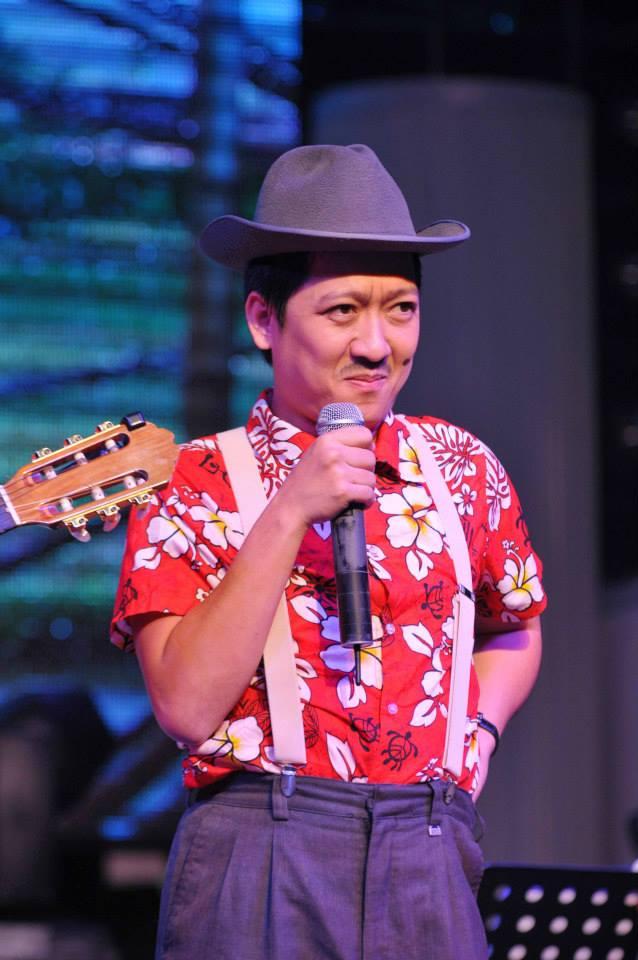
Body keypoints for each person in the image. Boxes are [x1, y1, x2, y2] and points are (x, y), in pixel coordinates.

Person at [111, 143, 546, 960]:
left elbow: (515, 625)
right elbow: (186, 708)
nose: (377, 345)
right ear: (264, 320)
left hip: (428, 844)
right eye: (343, 311)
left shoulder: (461, 466)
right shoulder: (195, 482)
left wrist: (479, 734)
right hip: (264, 840)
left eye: (402, 309)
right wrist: (291, 509)